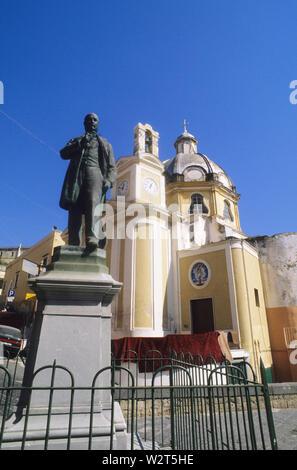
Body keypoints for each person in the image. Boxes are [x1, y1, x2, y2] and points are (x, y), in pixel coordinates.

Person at [59, 113, 117, 249]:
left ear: (98, 124)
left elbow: (112, 167)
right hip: (76, 175)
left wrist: (108, 180)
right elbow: (63, 153)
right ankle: (73, 242)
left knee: (92, 203)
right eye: (89, 120)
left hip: (95, 172)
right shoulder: (76, 140)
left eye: (95, 120)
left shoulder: (105, 144)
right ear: (84, 123)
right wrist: (79, 144)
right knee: (75, 207)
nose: (92, 122)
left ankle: (92, 237)